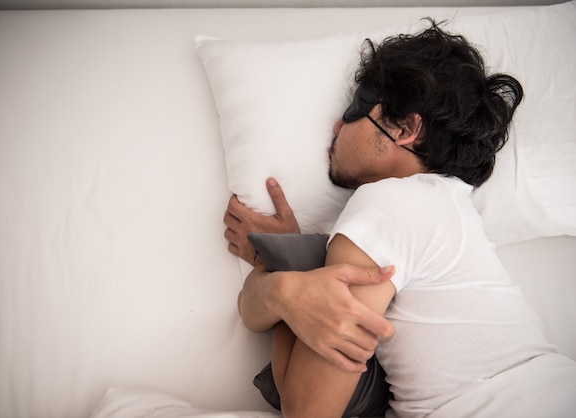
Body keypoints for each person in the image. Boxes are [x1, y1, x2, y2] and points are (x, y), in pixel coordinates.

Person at [224, 20, 576, 418]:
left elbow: (307, 409)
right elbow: (256, 309)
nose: (337, 126)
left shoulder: (388, 202)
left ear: (406, 129)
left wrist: (290, 273)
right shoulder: (444, 207)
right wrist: (287, 276)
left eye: (356, 109)